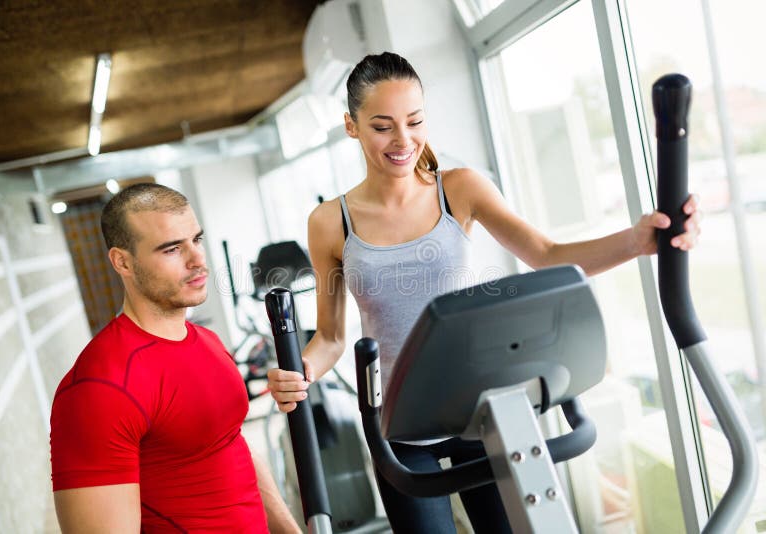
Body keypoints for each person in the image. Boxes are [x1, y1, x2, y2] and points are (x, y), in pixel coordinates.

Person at [266, 52, 702, 533]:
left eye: (414, 122)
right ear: (352, 126)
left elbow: (546, 253)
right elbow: (330, 337)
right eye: (382, 126)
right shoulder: (330, 222)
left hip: (482, 408)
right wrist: (299, 371)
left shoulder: (460, 189)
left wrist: (637, 242)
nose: (403, 140)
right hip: (401, 425)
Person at [49, 183, 300, 533]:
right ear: (122, 261)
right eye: (171, 249)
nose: (198, 259)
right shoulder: (100, 387)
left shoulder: (208, 342)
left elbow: (231, 446)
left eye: (196, 240)